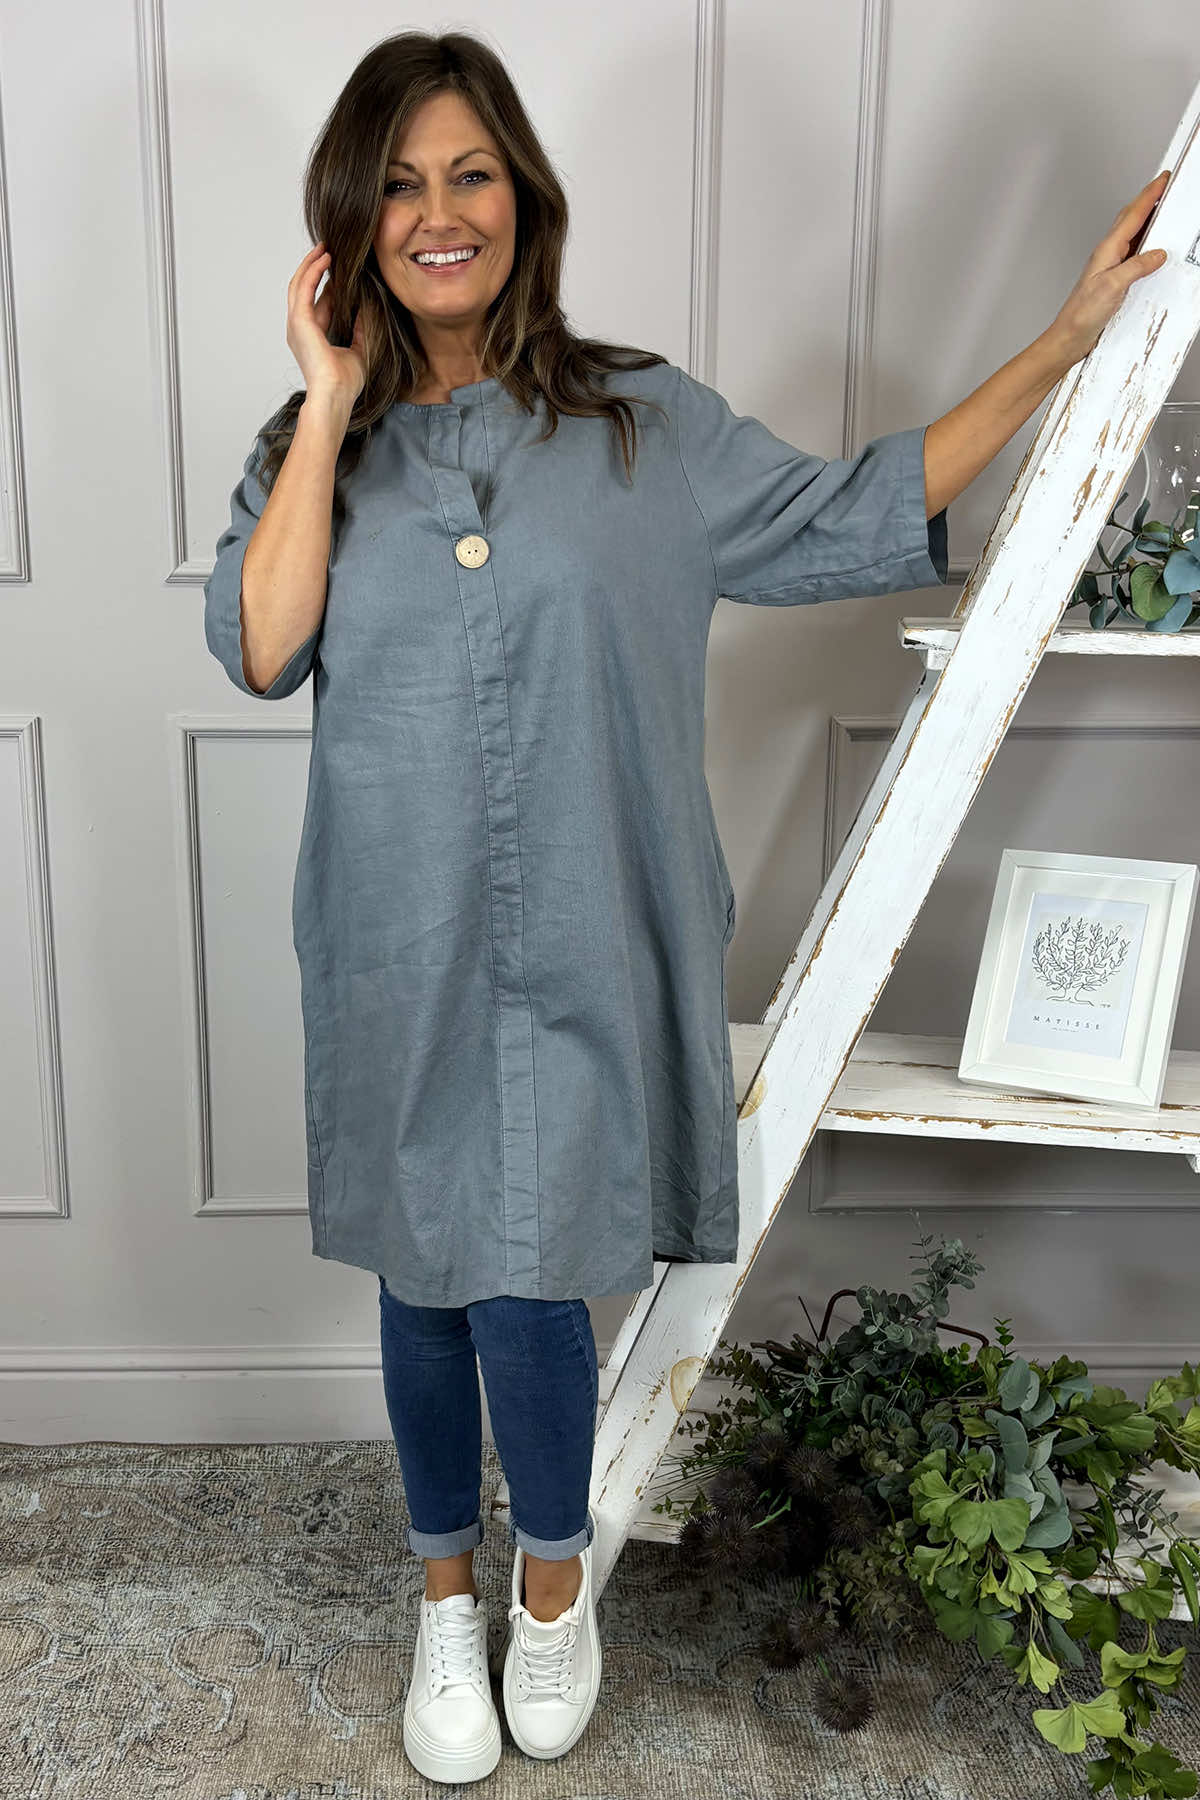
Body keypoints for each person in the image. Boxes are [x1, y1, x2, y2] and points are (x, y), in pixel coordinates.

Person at [202, 27, 1170, 1786]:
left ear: (523, 199)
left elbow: (857, 505)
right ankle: (444, 1595)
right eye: (400, 184)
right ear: (352, 218)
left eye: (471, 174)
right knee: (426, 1278)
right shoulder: (309, 450)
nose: (439, 214)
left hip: (588, 921)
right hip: (398, 934)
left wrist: (1064, 337)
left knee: (531, 1275)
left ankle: (553, 1590)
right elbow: (266, 649)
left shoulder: (644, 425)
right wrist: (329, 397)